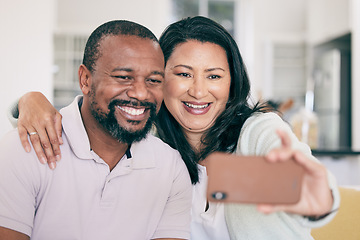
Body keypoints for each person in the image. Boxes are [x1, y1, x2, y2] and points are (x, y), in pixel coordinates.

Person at [8, 16, 339, 239]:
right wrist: (28, 100)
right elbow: (93, 116)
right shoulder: (150, 144)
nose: (198, 90)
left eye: (214, 75)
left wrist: (316, 196)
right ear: (159, 79)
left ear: (232, 82)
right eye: (183, 73)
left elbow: (303, 186)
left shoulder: (255, 135)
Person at [0, 20, 193, 240]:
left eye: (153, 80)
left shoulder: (171, 167)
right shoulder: (23, 149)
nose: (141, 93)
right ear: (85, 79)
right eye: (123, 77)